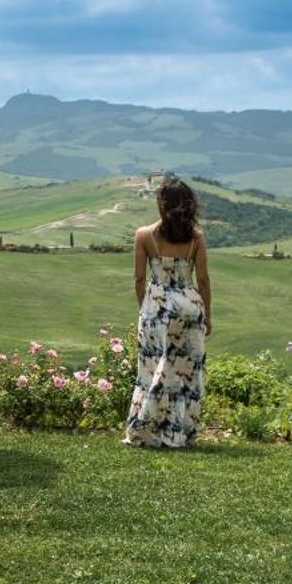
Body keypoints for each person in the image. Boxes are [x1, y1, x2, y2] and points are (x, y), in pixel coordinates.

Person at [123, 173, 210, 448]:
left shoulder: (144, 235)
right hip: (190, 307)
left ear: (162, 204)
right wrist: (208, 314)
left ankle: (148, 429)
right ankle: (179, 432)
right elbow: (204, 279)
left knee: (153, 369)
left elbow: (139, 279)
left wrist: (146, 309)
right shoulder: (196, 238)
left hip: (158, 307)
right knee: (185, 373)